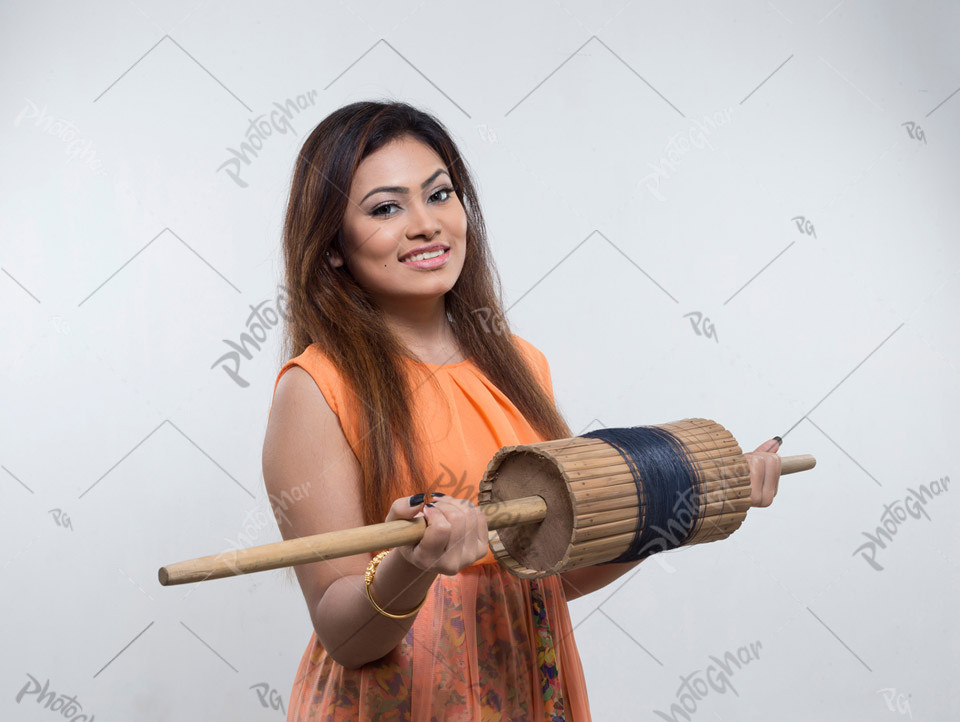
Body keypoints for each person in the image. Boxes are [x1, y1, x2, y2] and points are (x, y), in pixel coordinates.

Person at [261, 100, 783, 721]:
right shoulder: (316, 388)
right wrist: (410, 563)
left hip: (531, 698)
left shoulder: (519, 364)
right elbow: (345, 637)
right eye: (385, 207)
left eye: (440, 194)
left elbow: (553, 573)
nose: (426, 224)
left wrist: (687, 497)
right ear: (333, 247)